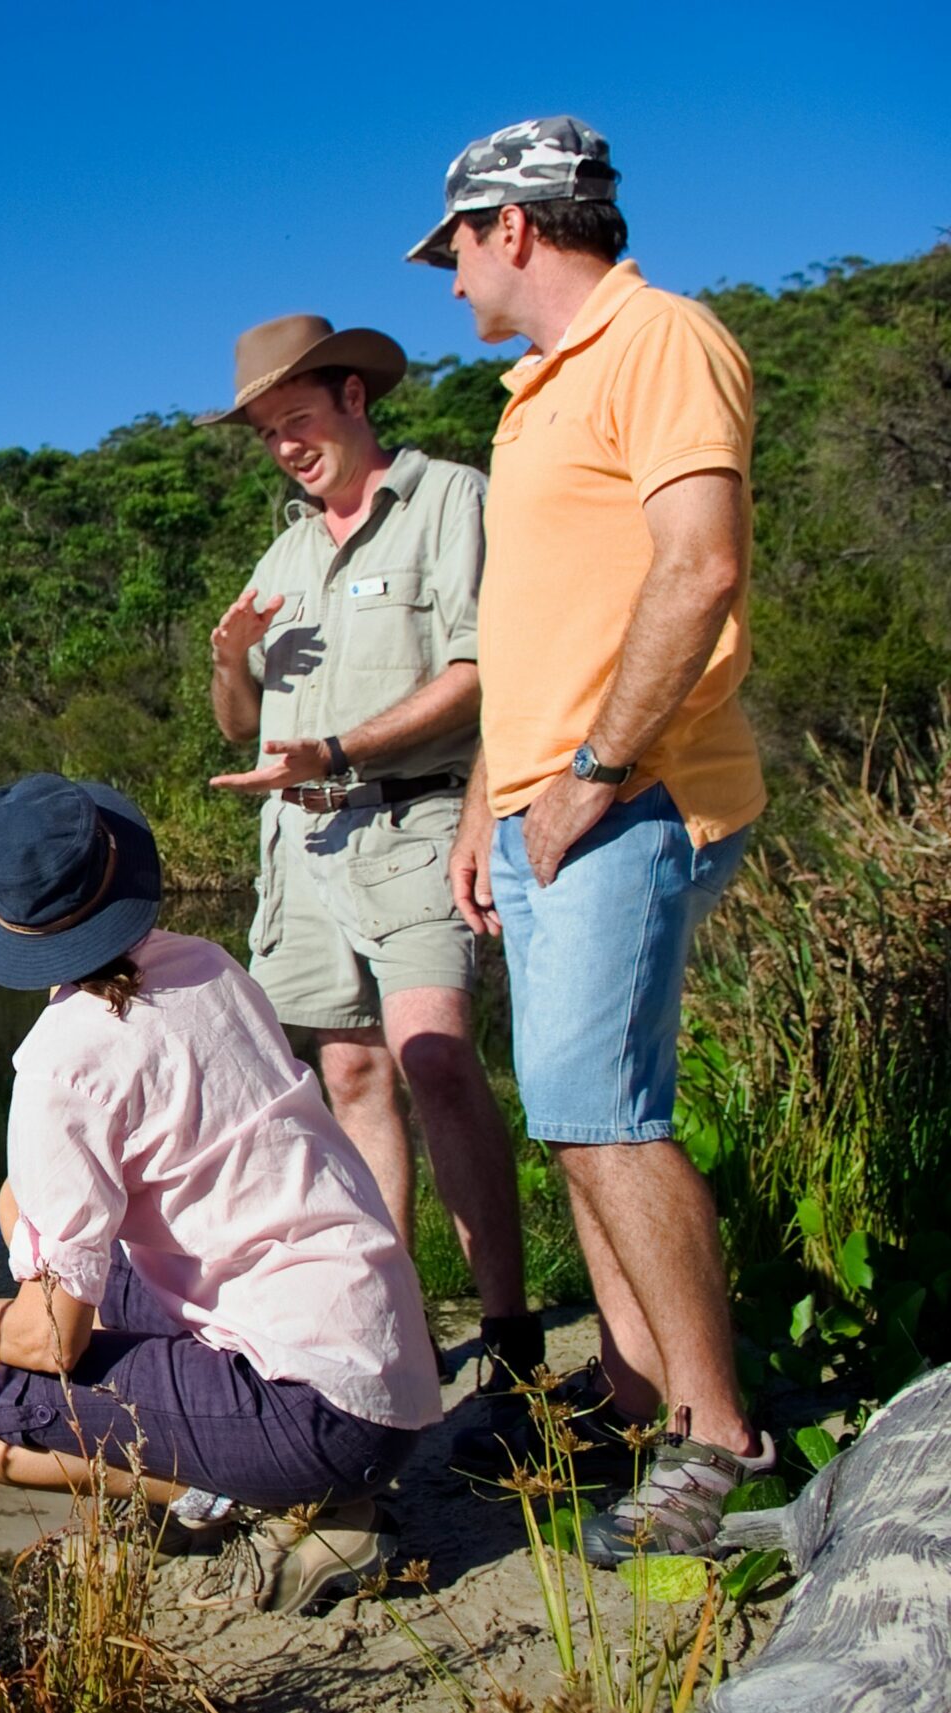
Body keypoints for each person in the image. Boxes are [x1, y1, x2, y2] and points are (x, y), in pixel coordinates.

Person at [411, 115, 776, 1561]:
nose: (447, 282)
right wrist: (486, 800)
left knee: (604, 1116)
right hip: (542, 807)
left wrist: (591, 775)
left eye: (453, 249)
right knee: (576, 1116)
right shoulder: (529, 392)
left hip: (630, 799)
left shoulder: (662, 340)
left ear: (515, 226)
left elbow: (701, 570)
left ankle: (719, 1440)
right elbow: (535, 626)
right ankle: (632, 1399)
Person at [0, 772, 442, 1613]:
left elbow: (52, 1340)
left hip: (323, 1418)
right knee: (21, 1207)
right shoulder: (203, 966)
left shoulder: (60, 1063)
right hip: (385, 1363)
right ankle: (229, 1471)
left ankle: (233, 1490)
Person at [197, 314, 538, 1410]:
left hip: (417, 819)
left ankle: (510, 1332)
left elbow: (485, 669)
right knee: (347, 1074)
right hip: (300, 845)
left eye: (294, 420)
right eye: (264, 433)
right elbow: (236, 723)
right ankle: (390, 1326)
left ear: (353, 396)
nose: (283, 446)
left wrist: (341, 748)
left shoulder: (450, 500)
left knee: (435, 1058)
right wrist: (228, 660)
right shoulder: (286, 550)